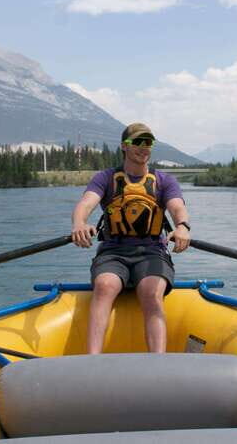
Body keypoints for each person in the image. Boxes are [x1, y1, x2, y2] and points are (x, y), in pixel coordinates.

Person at [71, 123, 191, 354]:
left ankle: (158, 361)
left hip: (152, 251)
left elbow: (177, 208)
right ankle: (92, 359)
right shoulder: (105, 178)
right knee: (105, 285)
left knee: (150, 292)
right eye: (138, 142)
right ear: (124, 146)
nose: (144, 147)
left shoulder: (164, 181)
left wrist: (183, 227)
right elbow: (85, 204)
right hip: (113, 251)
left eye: (148, 143)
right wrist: (79, 224)